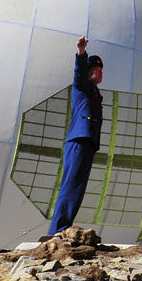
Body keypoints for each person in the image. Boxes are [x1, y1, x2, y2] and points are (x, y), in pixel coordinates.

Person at [48, 36, 104, 235]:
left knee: (77, 190)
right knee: (70, 186)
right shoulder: (82, 87)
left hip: (88, 142)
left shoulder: (96, 94)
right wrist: (81, 53)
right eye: (96, 68)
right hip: (79, 140)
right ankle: (58, 229)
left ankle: (65, 226)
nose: (100, 71)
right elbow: (78, 73)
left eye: (101, 69)